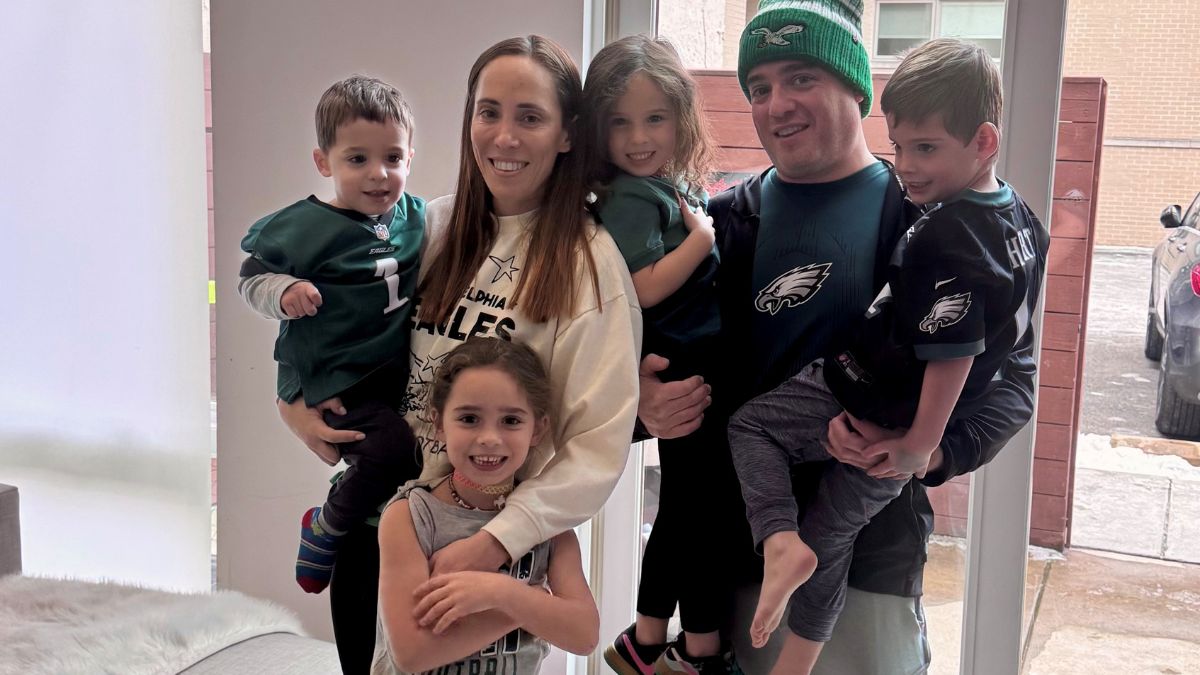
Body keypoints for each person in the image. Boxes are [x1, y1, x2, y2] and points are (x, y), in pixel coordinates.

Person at [637, 1, 1039, 672]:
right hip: (739, 553)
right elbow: (626, 354)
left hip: (871, 563)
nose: (776, 103)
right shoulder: (716, 224)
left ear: (855, 86)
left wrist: (931, 453)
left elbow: (1016, 378)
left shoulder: (937, 217)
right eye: (759, 86)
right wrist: (641, 402)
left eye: (800, 77)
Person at [256, 35, 641, 674]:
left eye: (530, 117)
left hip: (479, 549)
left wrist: (495, 546)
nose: (505, 136)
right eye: (489, 112)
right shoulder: (428, 227)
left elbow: (595, 448)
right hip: (377, 524)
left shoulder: (588, 268)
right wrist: (291, 402)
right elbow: (331, 322)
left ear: (567, 134)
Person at [581, 35, 733, 675]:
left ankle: (647, 641)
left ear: (681, 119)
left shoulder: (660, 187)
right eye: (620, 121)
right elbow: (638, 288)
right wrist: (703, 236)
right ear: (597, 129)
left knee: (684, 506)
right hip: (681, 361)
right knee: (697, 512)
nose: (638, 137)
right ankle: (693, 648)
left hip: (687, 358)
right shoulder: (631, 197)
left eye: (655, 118)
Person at [238, 75, 424, 595]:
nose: (378, 174)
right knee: (394, 450)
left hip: (390, 369)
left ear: (410, 156)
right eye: (357, 159)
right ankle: (327, 524)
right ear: (324, 162)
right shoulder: (305, 227)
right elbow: (250, 279)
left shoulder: (413, 214)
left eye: (393, 157)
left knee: (408, 453)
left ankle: (352, 495)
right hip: (336, 375)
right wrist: (283, 289)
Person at [371, 337, 599, 674]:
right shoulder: (409, 516)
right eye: (469, 419)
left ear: (538, 429)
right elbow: (411, 654)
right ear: (438, 425)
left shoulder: (550, 523)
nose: (490, 438)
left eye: (510, 421)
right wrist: (529, 606)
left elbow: (584, 635)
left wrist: (501, 592)